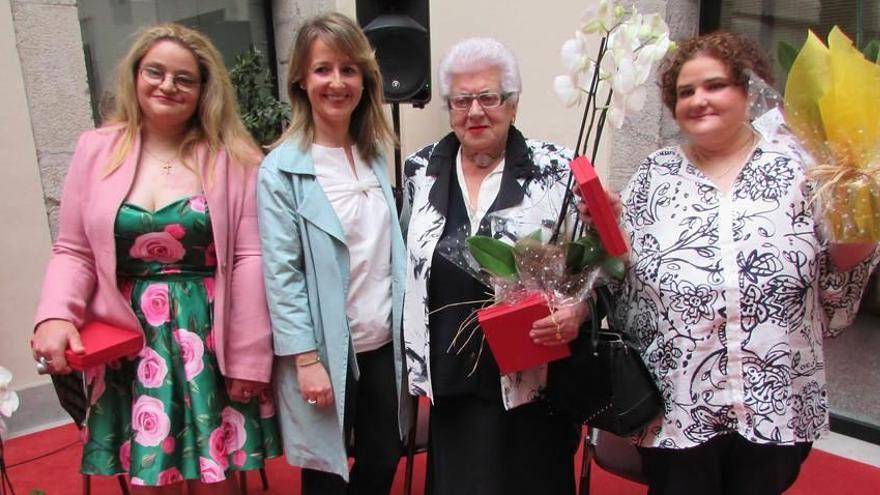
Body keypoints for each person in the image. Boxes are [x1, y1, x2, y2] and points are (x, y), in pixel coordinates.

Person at [583, 31, 879, 495]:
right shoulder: (654, 175)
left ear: (747, 89)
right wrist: (606, 230)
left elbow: (839, 271)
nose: (698, 100)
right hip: (676, 403)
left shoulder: (799, 170)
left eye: (715, 85)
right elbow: (623, 279)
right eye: (685, 91)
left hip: (775, 397)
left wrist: (863, 209)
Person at [29, 23, 281, 493]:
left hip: (210, 335)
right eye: (156, 72)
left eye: (185, 78)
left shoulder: (235, 156)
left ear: (205, 89)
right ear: (135, 76)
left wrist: (249, 357)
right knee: (151, 475)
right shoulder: (96, 149)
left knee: (215, 475)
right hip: (132, 338)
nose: (168, 86)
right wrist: (54, 316)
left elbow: (250, 258)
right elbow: (74, 249)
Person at [401, 37, 587, 495]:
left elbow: (591, 271)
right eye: (462, 100)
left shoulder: (557, 169)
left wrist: (577, 312)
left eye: (489, 97)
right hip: (451, 379)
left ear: (514, 104)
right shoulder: (419, 172)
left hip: (530, 383)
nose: (475, 111)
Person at [256, 12, 411, 494]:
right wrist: (304, 360)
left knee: (385, 456)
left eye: (349, 69)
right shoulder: (281, 169)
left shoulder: (375, 153)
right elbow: (283, 275)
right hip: (324, 348)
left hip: (383, 341)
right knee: (326, 473)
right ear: (301, 80)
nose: (337, 82)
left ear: (366, 80)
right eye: (323, 69)